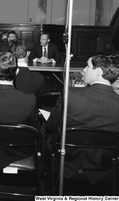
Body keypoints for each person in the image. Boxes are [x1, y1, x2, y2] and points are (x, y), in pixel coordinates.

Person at [45, 54, 119, 184]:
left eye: (87, 66)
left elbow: (51, 126)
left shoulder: (70, 94)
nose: (83, 70)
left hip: (67, 157)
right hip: (103, 161)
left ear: (98, 71)